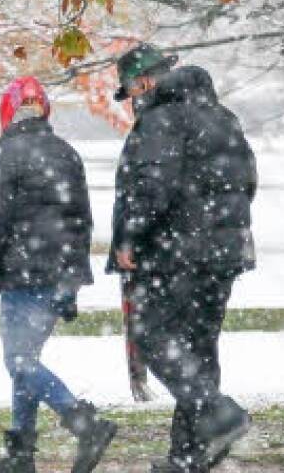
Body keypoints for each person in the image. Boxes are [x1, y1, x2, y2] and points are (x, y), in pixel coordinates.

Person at [107, 45, 258, 473]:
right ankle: (189, 456)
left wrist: (129, 239)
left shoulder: (161, 119)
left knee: (153, 337)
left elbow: (153, 187)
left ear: (147, 81)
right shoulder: (224, 118)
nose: (134, 98)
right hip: (224, 254)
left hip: (177, 253)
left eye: (134, 88)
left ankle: (218, 413)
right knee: (198, 348)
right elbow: (248, 181)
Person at [0, 77, 117, 473]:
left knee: (18, 361)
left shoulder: (5, 153)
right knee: (26, 361)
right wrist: (70, 283)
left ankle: (83, 422)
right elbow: (81, 221)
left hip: (22, 274)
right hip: (57, 275)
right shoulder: (67, 152)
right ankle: (21, 454)